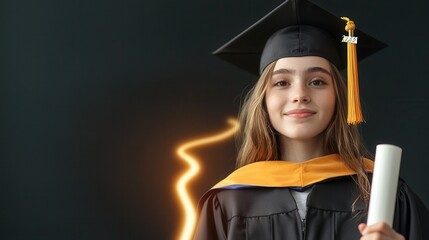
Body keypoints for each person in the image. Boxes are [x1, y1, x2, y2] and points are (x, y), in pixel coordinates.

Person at [193, 0, 429, 239]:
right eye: (282, 83)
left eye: (317, 81)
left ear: (338, 95)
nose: (300, 95)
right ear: (263, 99)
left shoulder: (384, 193)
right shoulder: (227, 201)